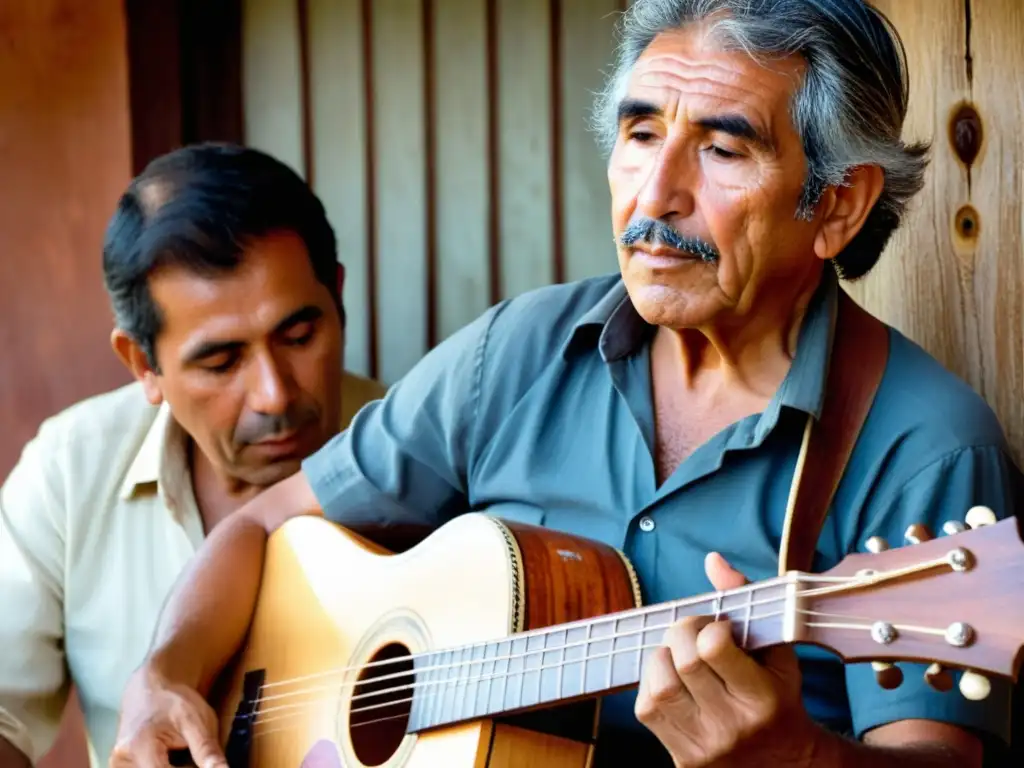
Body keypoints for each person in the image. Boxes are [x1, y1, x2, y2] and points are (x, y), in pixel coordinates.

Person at [110, 2, 1023, 767]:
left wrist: (797, 757)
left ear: (837, 204)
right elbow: (262, 525)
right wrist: (165, 675)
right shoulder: (518, 350)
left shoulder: (925, 445)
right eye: (639, 133)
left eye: (723, 150)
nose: (654, 194)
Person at [0, 143, 387, 768]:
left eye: (299, 336)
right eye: (221, 361)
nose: (274, 394)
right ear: (142, 364)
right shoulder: (70, 471)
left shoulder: (423, 458)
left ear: (338, 296)